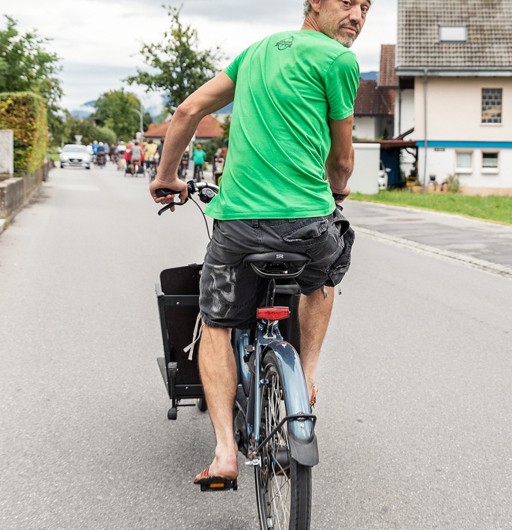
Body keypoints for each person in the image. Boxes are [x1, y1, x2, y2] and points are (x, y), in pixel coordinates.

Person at [151, 0, 366, 489]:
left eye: (366, 6)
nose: (357, 13)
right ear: (313, 4)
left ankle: (225, 451)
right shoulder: (338, 60)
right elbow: (343, 159)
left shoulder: (253, 54)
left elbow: (187, 110)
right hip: (306, 224)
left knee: (217, 324)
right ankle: (305, 377)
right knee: (324, 276)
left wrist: (167, 177)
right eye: (347, 2)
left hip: (238, 225)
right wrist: (336, 193)